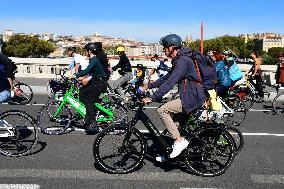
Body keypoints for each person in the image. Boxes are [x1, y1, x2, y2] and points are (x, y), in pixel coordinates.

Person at [141, 34, 208, 159]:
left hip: (191, 96)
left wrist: (152, 97)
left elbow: (171, 82)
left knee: (162, 110)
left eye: (165, 47)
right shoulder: (180, 59)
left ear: (172, 47)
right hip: (189, 94)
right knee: (175, 125)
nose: (164, 49)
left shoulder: (183, 61)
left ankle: (179, 141)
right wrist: (148, 86)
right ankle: (170, 152)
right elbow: (166, 77)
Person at [73, 43, 107, 132]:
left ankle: (91, 123)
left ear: (89, 51)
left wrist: (75, 76)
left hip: (99, 83)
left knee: (89, 100)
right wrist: (82, 77)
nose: (85, 52)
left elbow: (87, 70)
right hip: (96, 81)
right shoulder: (93, 60)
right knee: (82, 92)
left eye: (85, 51)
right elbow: (90, 72)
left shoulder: (94, 60)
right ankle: (91, 112)